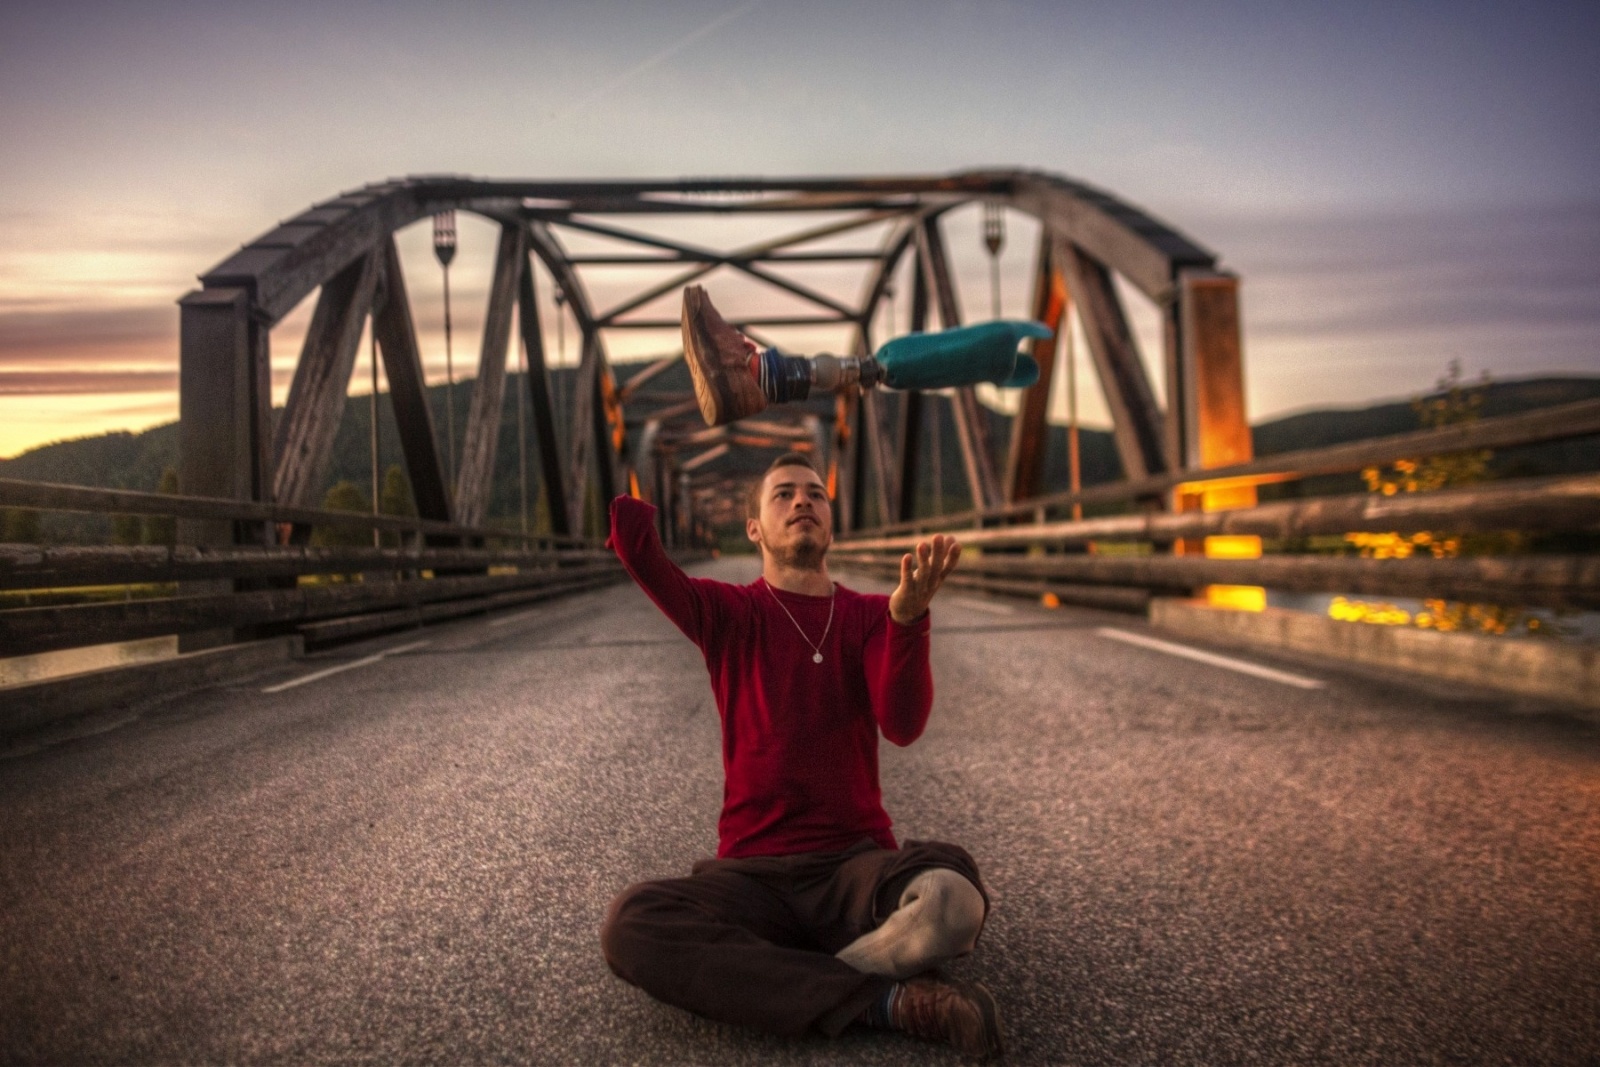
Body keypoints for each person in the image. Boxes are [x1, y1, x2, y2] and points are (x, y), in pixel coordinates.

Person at [600, 451, 1004, 1060]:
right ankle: (887, 1000)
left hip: (854, 867)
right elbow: (638, 548)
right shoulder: (727, 614)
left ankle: (782, 983)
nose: (802, 501)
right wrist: (645, 463)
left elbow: (902, 726)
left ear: (830, 522)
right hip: (751, 877)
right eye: (782, 494)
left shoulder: (872, 615)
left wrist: (909, 620)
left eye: (815, 493)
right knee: (631, 925)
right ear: (754, 530)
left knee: (953, 899)